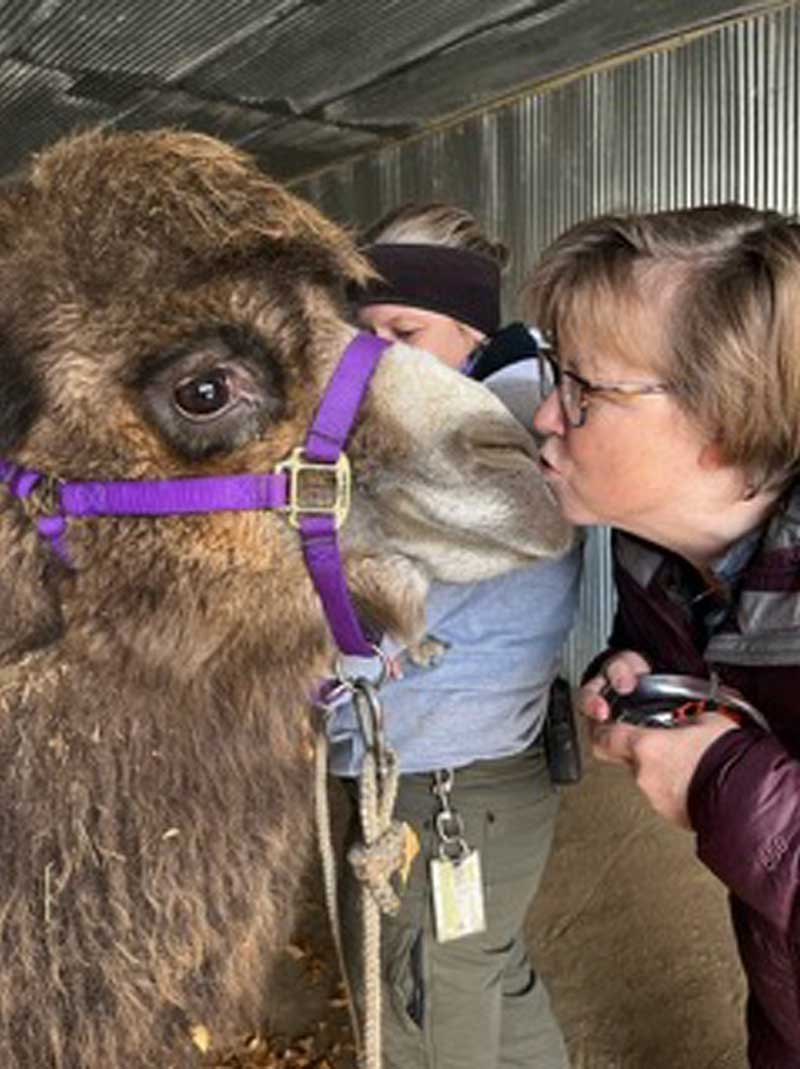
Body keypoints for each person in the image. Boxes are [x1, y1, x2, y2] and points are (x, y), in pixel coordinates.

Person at [526, 203, 800, 1068]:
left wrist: (722, 777)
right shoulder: (656, 549)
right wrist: (632, 668)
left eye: (584, 391)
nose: (544, 418)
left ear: (722, 420)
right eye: (552, 376)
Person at [327, 202, 582, 1069]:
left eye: (404, 329)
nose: (377, 357)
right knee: (485, 971)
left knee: (427, 1007)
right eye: (363, 332)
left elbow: (363, 613)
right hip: (477, 775)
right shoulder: (504, 403)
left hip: (445, 784)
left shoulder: (487, 443)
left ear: (469, 327)